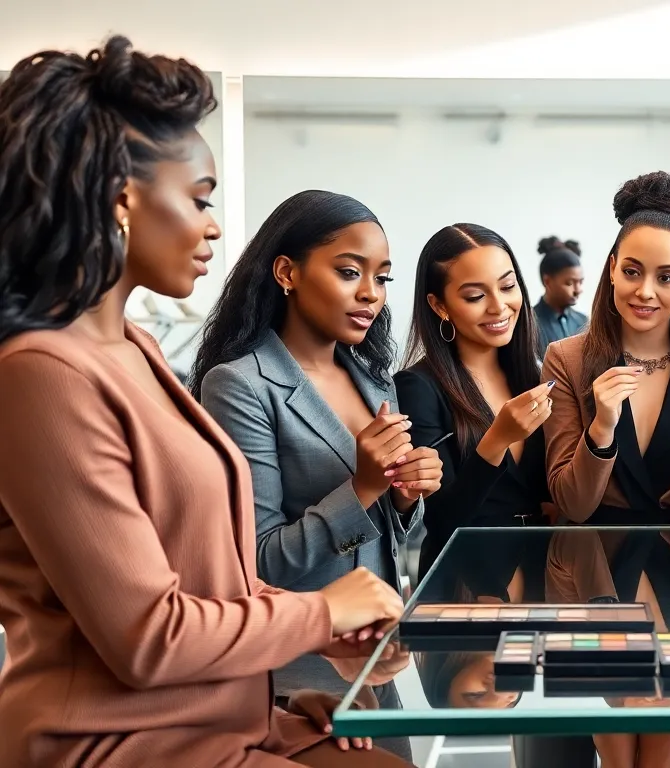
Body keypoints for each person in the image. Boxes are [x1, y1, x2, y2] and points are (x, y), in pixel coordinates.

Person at [0, 37, 408, 767]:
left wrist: (298, 662)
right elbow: (146, 637)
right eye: (199, 199)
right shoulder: (43, 374)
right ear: (122, 199)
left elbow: (208, 575)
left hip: (221, 718)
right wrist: (321, 611)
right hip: (111, 742)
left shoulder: (137, 352)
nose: (215, 225)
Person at [194, 190, 439, 758]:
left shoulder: (374, 379)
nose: (370, 295)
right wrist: (365, 486)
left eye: (382, 278)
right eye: (350, 272)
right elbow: (257, 559)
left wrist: (406, 497)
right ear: (287, 271)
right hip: (297, 676)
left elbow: (391, 536)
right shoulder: (240, 385)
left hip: (376, 659)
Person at [542, 171, 670, 525]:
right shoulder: (565, 360)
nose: (645, 291)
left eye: (665, 277)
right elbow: (572, 505)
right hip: (595, 566)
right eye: (632, 272)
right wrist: (601, 428)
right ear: (613, 268)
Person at [394, 223, 554, 579]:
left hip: (544, 572)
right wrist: (497, 439)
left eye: (508, 286)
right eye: (474, 296)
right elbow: (442, 519)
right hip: (464, 583)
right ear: (439, 306)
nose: (499, 307)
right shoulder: (417, 387)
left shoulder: (536, 376)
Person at [533, 235, 587, 352]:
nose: (578, 290)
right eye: (569, 283)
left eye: (580, 282)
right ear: (547, 281)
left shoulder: (584, 322)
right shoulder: (528, 323)